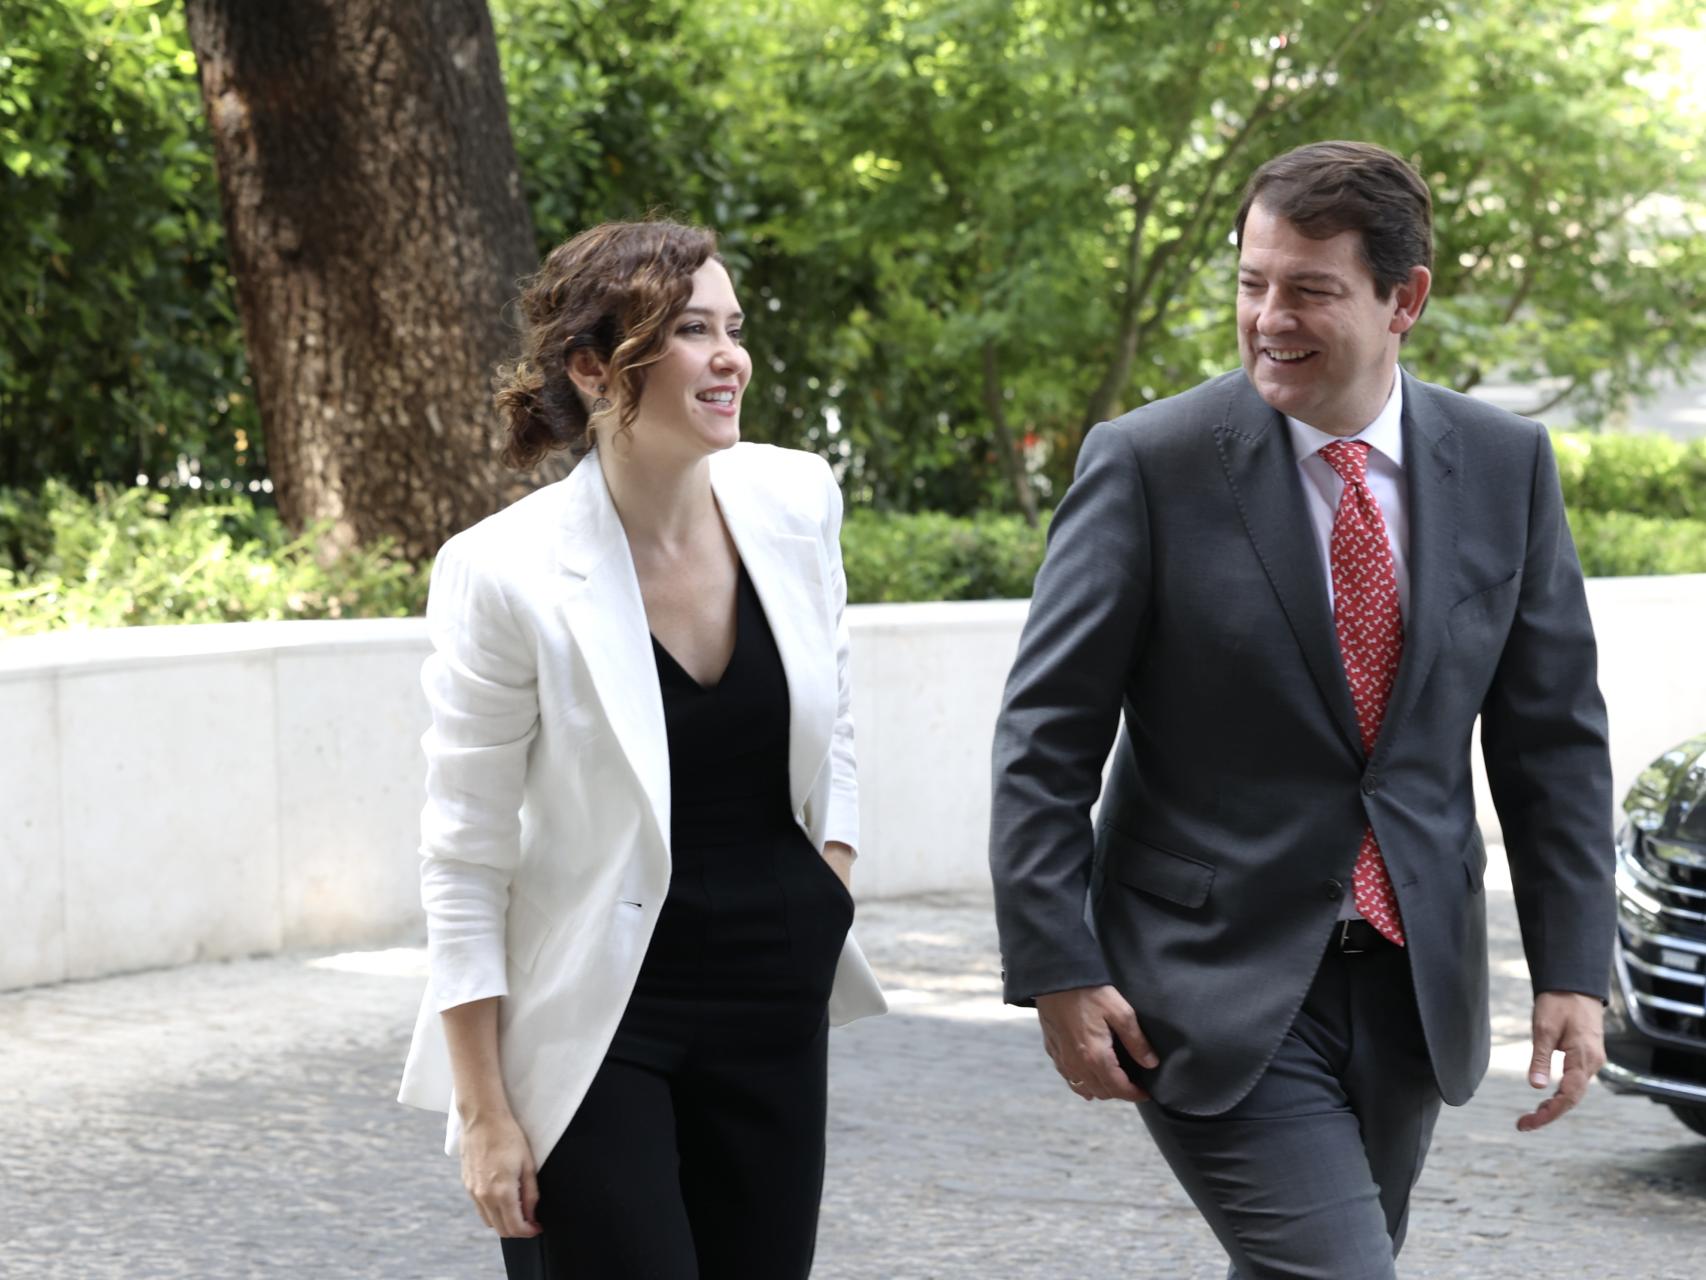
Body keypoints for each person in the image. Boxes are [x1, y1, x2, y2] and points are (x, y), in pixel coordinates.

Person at [988, 140, 1614, 1277]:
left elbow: (1551, 742)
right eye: (1250, 281)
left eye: (1309, 289)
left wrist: (1571, 968)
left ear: (1402, 299)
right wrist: (1055, 963)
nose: (1267, 316)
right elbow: (1045, 739)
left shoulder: (1503, 464)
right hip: (1202, 977)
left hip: (1408, 984)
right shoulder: (1147, 463)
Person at [396, 219, 886, 1279]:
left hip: (774, 997)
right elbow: (464, 854)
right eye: (692, 331)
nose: (730, 358)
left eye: (733, 328)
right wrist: (482, 1107)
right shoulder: (504, 571)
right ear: (591, 366)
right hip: (600, 1013)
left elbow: (832, 722)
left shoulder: (796, 499)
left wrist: (826, 881)